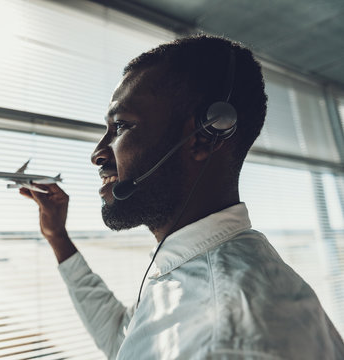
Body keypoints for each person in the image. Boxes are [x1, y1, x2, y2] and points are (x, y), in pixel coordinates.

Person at [19, 35, 344, 359]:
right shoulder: (190, 268)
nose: (97, 154)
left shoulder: (228, 339)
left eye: (121, 126)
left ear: (203, 138)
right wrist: (57, 237)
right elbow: (125, 340)